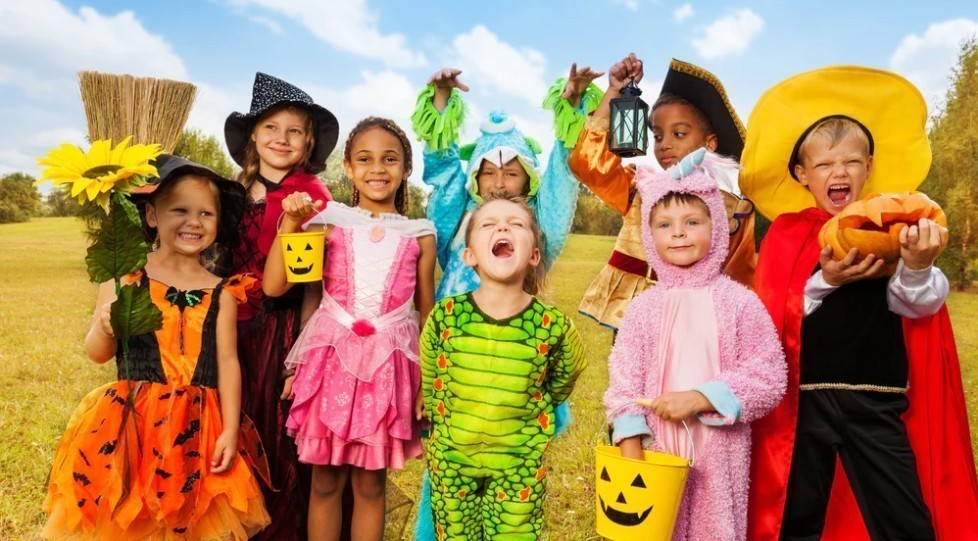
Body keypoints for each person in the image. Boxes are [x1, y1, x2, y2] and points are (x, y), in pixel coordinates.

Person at [741, 66, 978, 540]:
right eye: (825, 164)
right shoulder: (787, 234)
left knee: (904, 517)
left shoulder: (891, 227)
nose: (839, 173)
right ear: (801, 174)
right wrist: (824, 280)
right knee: (797, 515)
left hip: (876, 401)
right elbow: (773, 316)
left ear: (869, 167)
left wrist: (915, 264)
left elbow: (917, 308)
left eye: (851, 162)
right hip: (804, 403)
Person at [42, 155, 271, 540]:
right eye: (179, 210)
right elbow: (97, 353)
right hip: (132, 425)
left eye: (206, 214)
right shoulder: (127, 278)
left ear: (218, 223)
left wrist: (230, 428)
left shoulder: (223, 292)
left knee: (193, 519)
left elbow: (229, 364)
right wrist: (106, 324)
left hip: (199, 428)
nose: (193, 222)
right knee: (133, 518)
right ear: (152, 216)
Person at [263, 117, 435, 541]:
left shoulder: (421, 233)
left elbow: (426, 313)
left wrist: (428, 382)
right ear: (348, 167)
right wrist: (289, 226)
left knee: (370, 484)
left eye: (390, 159)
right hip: (331, 362)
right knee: (325, 481)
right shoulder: (328, 221)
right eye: (365, 159)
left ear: (405, 169)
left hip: (389, 368)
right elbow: (275, 284)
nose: (378, 169)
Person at [603, 149, 785, 541]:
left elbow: (769, 376)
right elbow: (623, 383)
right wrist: (634, 453)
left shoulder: (739, 303)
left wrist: (701, 398)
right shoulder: (643, 309)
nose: (679, 232)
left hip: (717, 459)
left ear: (716, 226)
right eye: (665, 224)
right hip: (655, 455)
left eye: (692, 221)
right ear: (650, 235)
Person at [418, 194, 587, 540]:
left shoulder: (552, 325)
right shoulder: (446, 316)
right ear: (470, 255)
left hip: (518, 465)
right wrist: (442, 425)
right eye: (488, 223)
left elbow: (566, 373)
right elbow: (432, 372)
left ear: (534, 256)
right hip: (453, 462)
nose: (503, 226)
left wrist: (536, 403)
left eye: (516, 223)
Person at [224, 71, 339, 541]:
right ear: (253, 133)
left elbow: (311, 286)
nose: (281, 139)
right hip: (232, 330)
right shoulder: (231, 188)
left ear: (308, 140)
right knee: (231, 433)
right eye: (270, 127)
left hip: (280, 332)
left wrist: (302, 354)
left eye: (294, 130)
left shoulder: (310, 197)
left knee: (277, 443)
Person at [571, 55, 756, 332]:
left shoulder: (732, 211)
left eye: (679, 134)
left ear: (709, 143)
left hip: (695, 328)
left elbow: (742, 278)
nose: (665, 145)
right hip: (636, 319)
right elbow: (588, 164)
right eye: (658, 136)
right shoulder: (641, 190)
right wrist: (613, 92)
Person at [411, 65, 604, 299]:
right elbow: (445, 169)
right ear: (475, 177)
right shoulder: (458, 215)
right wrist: (440, 97)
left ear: (528, 180)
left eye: (511, 174)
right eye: (489, 173)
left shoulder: (537, 223)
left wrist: (573, 103)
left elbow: (561, 174)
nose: (499, 184)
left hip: (516, 333)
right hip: (455, 331)